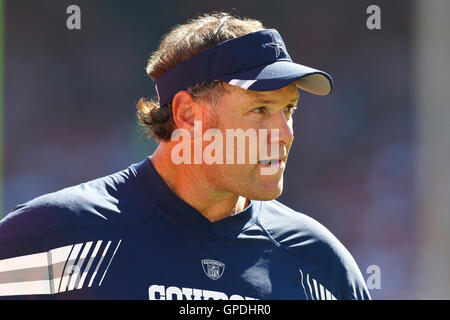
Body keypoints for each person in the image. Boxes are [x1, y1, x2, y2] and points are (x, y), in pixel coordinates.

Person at [0, 12, 370, 300]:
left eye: (289, 110)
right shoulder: (52, 238)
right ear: (188, 115)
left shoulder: (322, 266)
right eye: (260, 110)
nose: (285, 134)